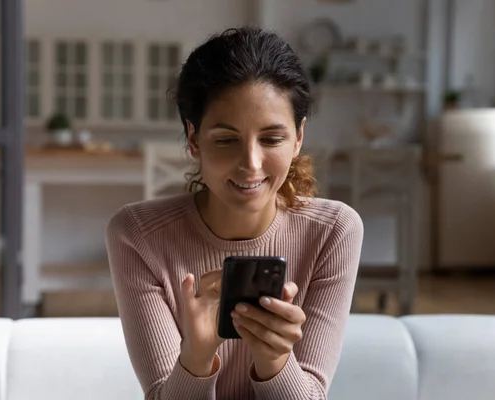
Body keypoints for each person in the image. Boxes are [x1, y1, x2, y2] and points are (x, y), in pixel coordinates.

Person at [105, 26, 364, 400]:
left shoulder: (333, 231)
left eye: (272, 139)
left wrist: (274, 361)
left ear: (299, 137)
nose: (251, 164)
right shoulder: (137, 235)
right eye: (226, 140)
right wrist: (195, 358)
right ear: (193, 139)